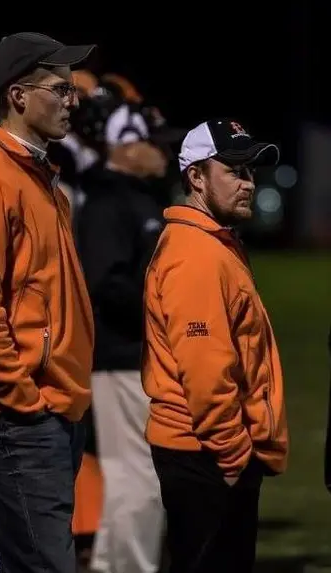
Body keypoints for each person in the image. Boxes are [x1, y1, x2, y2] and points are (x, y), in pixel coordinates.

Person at [0, 32, 96, 573]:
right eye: (60, 89)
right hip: (15, 415)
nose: (73, 101)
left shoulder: (36, 176)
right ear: (19, 95)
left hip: (45, 411)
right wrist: (25, 399)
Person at [141, 118, 289, 573]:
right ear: (196, 177)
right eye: (235, 170)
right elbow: (206, 370)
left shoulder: (211, 244)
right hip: (207, 453)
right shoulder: (197, 255)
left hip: (208, 449)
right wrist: (232, 456)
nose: (248, 183)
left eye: (250, 171)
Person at [76, 101, 168, 573]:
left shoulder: (130, 196)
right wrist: (165, 315)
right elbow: (107, 283)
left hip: (133, 357)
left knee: (132, 478)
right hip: (121, 358)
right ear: (126, 145)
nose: (160, 151)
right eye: (150, 141)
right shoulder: (111, 203)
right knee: (140, 478)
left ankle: (114, 566)